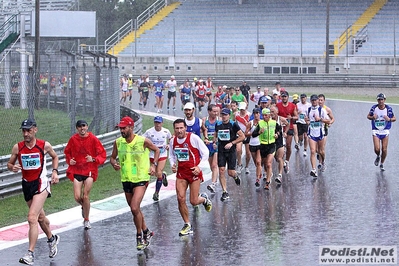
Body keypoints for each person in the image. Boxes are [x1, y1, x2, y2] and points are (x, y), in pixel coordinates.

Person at [7, 118, 60, 265]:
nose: (26, 134)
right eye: (24, 131)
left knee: (32, 218)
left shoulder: (44, 145)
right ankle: (51, 238)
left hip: (41, 183)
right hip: (26, 184)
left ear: (35, 130)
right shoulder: (17, 148)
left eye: (29, 130)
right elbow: (9, 164)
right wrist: (12, 167)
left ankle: (30, 253)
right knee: (41, 218)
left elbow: (55, 157)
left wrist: (55, 172)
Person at [110, 116, 160, 250]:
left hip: (141, 178)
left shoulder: (142, 141)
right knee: (135, 210)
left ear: (131, 128)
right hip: (126, 179)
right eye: (120, 128)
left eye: (124, 128)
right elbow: (112, 158)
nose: (121, 131)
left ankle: (139, 236)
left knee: (134, 207)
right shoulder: (118, 142)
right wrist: (114, 164)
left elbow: (157, 150)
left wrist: (153, 165)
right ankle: (147, 231)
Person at [169, 119, 212, 236]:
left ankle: (203, 199)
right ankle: (187, 224)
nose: (179, 131)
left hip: (194, 172)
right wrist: (172, 164)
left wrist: (199, 167)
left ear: (185, 128)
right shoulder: (173, 141)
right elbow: (172, 156)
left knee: (193, 201)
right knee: (180, 198)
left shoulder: (193, 138)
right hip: (181, 173)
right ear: (174, 129)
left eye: (181, 128)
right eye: (177, 128)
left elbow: (205, 152)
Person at [64, 120, 107, 230]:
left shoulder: (93, 139)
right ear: (77, 128)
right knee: (77, 197)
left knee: (85, 195)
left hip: (89, 170)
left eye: (83, 126)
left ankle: (86, 220)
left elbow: (102, 154)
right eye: (79, 127)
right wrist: (70, 160)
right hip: (77, 170)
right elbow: (67, 152)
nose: (82, 128)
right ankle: (85, 206)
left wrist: (93, 159)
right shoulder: (73, 139)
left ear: (87, 127)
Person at [214, 108, 246, 201]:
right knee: (221, 170)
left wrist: (232, 143)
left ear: (229, 115)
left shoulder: (233, 124)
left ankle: (235, 176)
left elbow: (242, 136)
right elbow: (216, 135)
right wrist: (214, 142)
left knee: (230, 172)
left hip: (231, 150)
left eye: (226, 115)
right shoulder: (218, 124)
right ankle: (225, 192)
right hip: (221, 150)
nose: (224, 116)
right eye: (222, 114)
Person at [143, 116, 172, 201]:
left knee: (158, 173)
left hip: (162, 154)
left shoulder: (166, 131)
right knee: (156, 174)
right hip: (152, 154)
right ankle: (163, 176)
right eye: (156, 122)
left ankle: (156, 193)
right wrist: (146, 146)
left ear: (162, 123)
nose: (157, 124)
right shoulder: (149, 132)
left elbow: (171, 139)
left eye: (159, 123)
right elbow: (142, 139)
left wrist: (168, 145)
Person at [252, 108, 281, 189]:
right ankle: (258, 179)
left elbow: (279, 130)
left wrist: (277, 134)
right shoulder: (260, 123)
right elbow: (253, 134)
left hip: (271, 145)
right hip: (262, 146)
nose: (264, 117)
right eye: (263, 115)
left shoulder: (274, 123)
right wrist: (259, 132)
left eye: (266, 115)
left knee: (268, 164)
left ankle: (268, 182)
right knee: (259, 163)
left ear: (269, 115)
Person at [367, 93, 396, 171]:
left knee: (384, 149)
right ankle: (378, 156)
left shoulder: (388, 109)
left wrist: (389, 119)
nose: (380, 101)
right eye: (379, 100)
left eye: (382, 99)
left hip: (385, 130)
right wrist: (373, 117)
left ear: (384, 100)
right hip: (376, 130)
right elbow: (368, 116)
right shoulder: (374, 108)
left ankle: (382, 163)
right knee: (377, 148)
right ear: (377, 100)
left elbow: (394, 118)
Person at [306, 95, 330, 178]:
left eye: (315, 100)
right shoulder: (308, 109)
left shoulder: (322, 110)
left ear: (317, 101)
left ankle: (323, 161)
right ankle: (313, 169)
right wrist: (307, 121)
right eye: (312, 100)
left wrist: (320, 119)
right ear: (311, 101)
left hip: (320, 133)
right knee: (313, 151)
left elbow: (328, 121)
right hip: (311, 133)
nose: (314, 102)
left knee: (321, 151)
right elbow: (307, 119)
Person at [276, 90, 298, 174]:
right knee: (280, 146)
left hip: (290, 127)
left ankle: (287, 161)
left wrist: (291, 118)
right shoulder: (278, 105)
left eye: (285, 96)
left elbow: (297, 116)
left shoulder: (292, 106)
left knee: (288, 145)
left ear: (288, 97)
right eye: (283, 96)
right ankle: (281, 159)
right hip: (280, 127)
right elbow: (274, 114)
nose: (284, 98)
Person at [201, 104, 220, 193]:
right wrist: (206, 138)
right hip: (208, 145)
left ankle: (213, 184)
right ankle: (215, 179)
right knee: (211, 166)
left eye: (217, 111)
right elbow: (202, 131)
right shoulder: (205, 120)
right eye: (214, 111)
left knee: (214, 165)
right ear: (209, 111)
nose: (216, 113)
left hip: (216, 145)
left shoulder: (219, 120)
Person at [245, 108, 262, 187]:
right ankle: (260, 172)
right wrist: (253, 133)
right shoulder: (250, 123)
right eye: (254, 113)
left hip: (260, 144)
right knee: (256, 162)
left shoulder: (263, 122)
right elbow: (246, 133)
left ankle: (257, 179)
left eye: (257, 113)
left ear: (259, 114)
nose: (256, 115)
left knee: (258, 162)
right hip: (252, 144)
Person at [235, 102, 251, 174]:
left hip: (247, 135)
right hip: (239, 135)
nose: (242, 111)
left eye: (243, 109)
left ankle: (247, 166)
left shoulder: (249, 115)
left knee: (248, 153)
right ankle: (239, 164)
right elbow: (234, 123)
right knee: (238, 150)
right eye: (241, 109)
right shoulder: (236, 114)